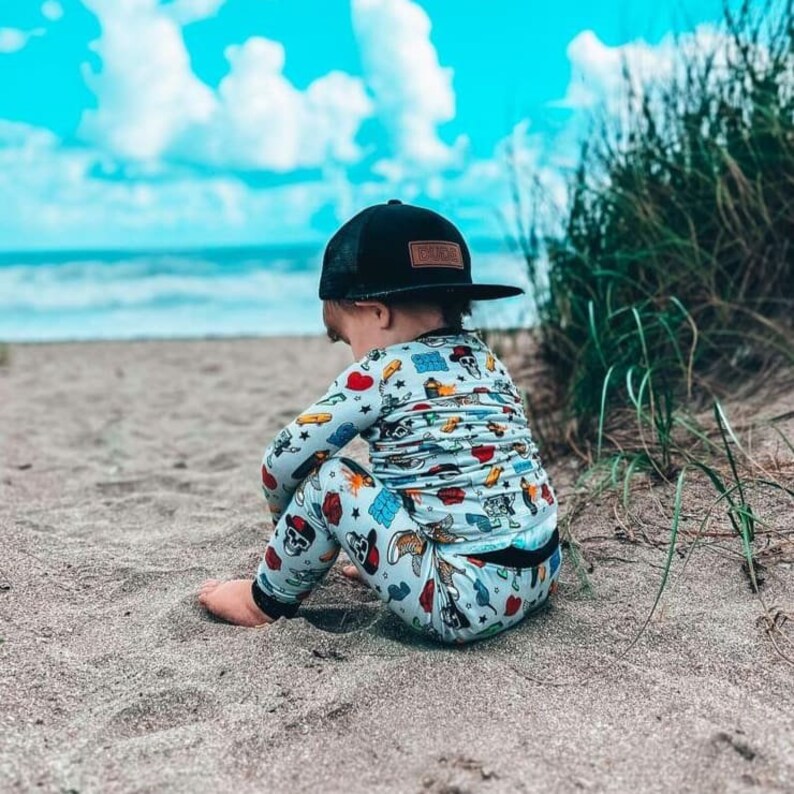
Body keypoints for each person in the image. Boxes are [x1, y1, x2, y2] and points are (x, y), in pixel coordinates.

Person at [199, 199, 561, 643]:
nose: (351, 352)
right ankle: (395, 559)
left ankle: (262, 601)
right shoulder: (486, 363)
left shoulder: (379, 370)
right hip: (540, 573)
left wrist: (289, 524)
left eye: (345, 336)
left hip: (457, 603)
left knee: (330, 479)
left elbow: (282, 459)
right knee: (417, 466)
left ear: (377, 313)